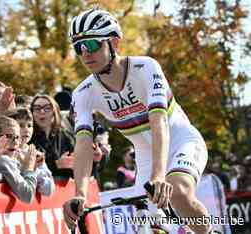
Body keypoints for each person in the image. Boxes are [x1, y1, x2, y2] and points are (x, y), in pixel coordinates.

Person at [63, 8, 210, 234]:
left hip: (180, 141)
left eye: (92, 45)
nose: (85, 53)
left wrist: (159, 175)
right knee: (146, 226)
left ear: (114, 43)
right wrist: (80, 193)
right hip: (146, 157)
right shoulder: (83, 93)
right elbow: (82, 144)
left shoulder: (145, 68)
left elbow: (158, 121)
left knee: (179, 193)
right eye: (78, 47)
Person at [8, 107, 55, 196]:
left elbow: (49, 190)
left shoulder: (35, 153)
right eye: (21, 125)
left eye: (29, 125)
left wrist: (34, 168)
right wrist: (24, 168)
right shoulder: (6, 152)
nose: (26, 129)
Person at [30, 94, 75, 179]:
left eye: (47, 108)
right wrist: (57, 165)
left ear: (55, 112)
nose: (42, 111)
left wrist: (94, 160)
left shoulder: (65, 137)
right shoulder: (28, 138)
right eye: (37, 108)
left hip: (64, 189)